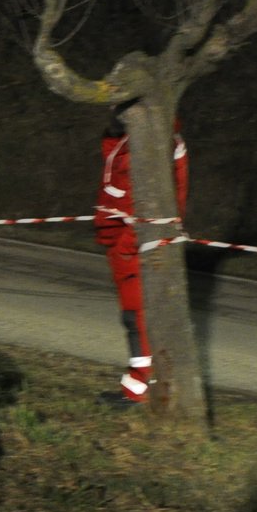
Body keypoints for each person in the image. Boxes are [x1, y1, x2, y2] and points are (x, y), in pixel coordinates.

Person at [93, 100, 189, 407]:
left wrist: (125, 246)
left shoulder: (155, 145)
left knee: (138, 317)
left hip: (136, 245)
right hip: (120, 242)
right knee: (133, 317)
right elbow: (113, 169)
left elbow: (149, 206)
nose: (116, 114)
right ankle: (137, 386)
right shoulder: (133, 138)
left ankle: (139, 391)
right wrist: (113, 131)